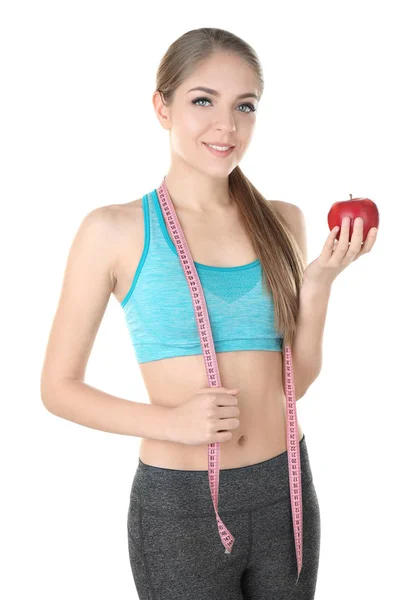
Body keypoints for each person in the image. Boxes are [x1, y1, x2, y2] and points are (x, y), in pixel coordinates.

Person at [40, 27, 378, 600]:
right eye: (203, 100)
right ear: (161, 106)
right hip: (182, 507)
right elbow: (57, 389)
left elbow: (292, 386)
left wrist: (318, 282)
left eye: (244, 106)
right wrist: (168, 423)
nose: (227, 125)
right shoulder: (114, 230)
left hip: (286, 485)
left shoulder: (282, 221)